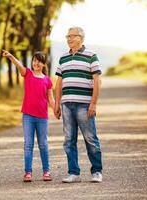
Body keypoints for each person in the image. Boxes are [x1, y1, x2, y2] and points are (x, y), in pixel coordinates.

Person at [54, 27, 103, 183]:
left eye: (72, 36)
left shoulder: (91, 56)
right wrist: (56, 103)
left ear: (81, 38)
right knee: (69, 140)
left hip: (84, 105)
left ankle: (96, 171)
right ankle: (73, 172)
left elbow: (97, 81)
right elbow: (59, 82)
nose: (68, 39)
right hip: (66, 105)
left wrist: (93, 103)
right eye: (67, 36)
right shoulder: (63, 58)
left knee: (90, 139)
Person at [2, 50, 55, 182]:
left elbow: (51, 99)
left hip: (42, 117)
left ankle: (46, 171)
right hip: (28, 116)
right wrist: (11, 57)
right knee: (28, 144)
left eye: (39, 61)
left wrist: (56, 109)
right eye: (34, 60)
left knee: (43, 144)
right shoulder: (28, 74)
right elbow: (19, 66)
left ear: (43, 64)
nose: (36, 63)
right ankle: (28, 172)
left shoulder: (47, 80)